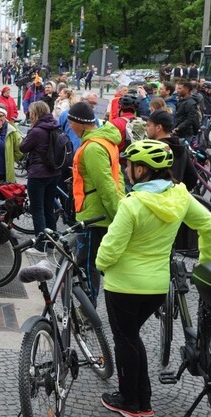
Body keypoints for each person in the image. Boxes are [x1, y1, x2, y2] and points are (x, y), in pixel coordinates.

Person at [97, 139, 211, 417]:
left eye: (129, 165)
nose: (127, 170)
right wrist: (206, 265)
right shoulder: (180, 196)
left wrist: (100, 263)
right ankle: (143, 400)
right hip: (156, 286)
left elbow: (111, 248)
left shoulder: (132, 205)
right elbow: (210, 228)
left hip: (123, 285)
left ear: (141, 171)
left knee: (125, 339)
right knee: (131, 338)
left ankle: (129, 401)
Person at [66, 101, 124, 304]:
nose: (69, 126)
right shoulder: (106, 141)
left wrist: (119, 214)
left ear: (80, 123)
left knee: (87, 262)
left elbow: (106, 185)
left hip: (94, 215)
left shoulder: (92, 148)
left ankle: (89, 307)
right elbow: (118, 177)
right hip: (96, 211)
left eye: (70, 122)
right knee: (89, 260)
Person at [19, 101, 61, 256]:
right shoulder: (54, 126)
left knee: (37, 210)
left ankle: (40, 247)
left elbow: (23, 147)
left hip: (38, 174)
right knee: (48, 208)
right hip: (54, 173)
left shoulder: (37, 131)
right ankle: (52, 242)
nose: (29, 115)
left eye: (31, 113)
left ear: (35, 113)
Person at [145, 110, 197, 190]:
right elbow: (192, 177)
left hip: (157, 199)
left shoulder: (156, 150)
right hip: (176, 198)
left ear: (158, 127)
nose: (146, 128)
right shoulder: (180, 147)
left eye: (148, 125)